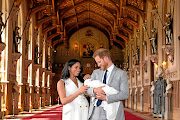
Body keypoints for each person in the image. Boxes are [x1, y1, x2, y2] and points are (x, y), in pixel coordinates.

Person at [85, 48, 129, 120]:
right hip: (96, 111)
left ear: (106, 58)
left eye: (99, 62)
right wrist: (94, 90)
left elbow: (124, 94)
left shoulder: (121, 73)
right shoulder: (95, 73)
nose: (98, 65)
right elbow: (86, 90)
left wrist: (106, 98)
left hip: (114, 110)